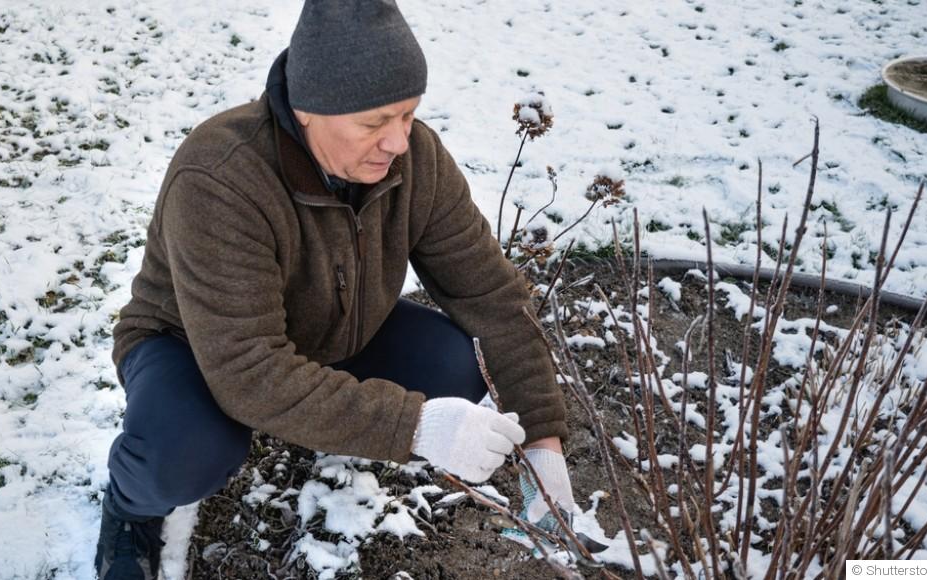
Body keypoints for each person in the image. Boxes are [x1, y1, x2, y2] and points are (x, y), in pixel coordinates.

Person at [94, 1, 574, 578]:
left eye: (408, 114)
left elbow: (490, 295)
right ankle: (130, 506)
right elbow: (249, 371)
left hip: (334, 329)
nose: (398, 142)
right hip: (194, 347)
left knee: (459, 365)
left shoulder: (416, 160)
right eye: (374, 123)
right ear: (307, 109)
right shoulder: (220, 177)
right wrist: (413, 425)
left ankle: (318, 413)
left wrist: (544, 441)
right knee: (183, 455)